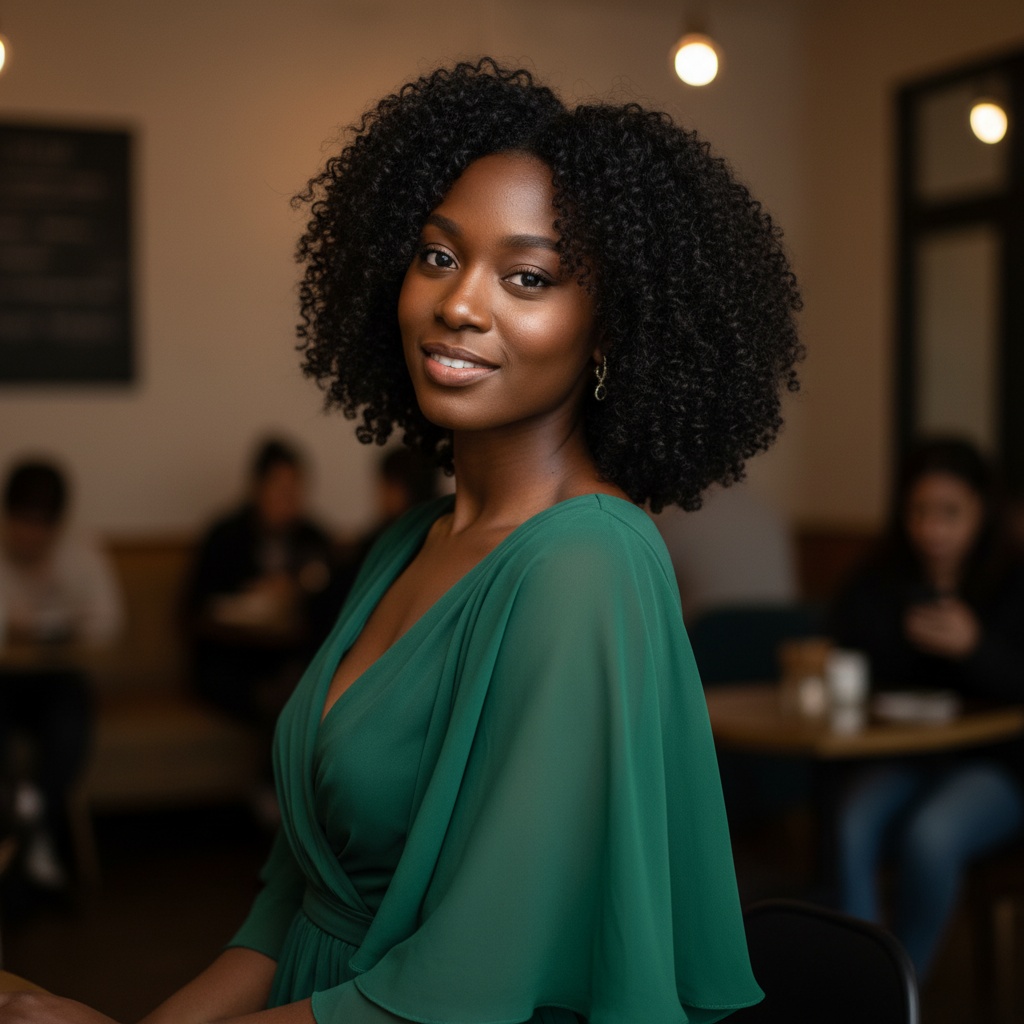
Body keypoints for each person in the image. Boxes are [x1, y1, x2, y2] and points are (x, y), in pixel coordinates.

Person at [0, 58, 803, 1023]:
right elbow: (296, 900)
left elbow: (468, 984)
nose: (459, 303)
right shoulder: (407, 544)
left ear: (610, 334)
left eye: (529, 276)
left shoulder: (587, 565)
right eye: (437, 255)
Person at [830, 436, 1024, 980]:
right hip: (907, 753)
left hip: (997, 763)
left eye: (950, 513)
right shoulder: (885, 576)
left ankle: (898, 992)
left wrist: (974, 649)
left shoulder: (1011, 579)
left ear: (983, 513)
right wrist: (905, 629)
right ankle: (857, 985)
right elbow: (849, 650)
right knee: (854, 821)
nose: (932, 529)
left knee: (932, 832)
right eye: (919, 511)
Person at [0, 459, 123, 890]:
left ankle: (31, 819)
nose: (28, 534)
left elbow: (107, 624)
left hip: (58, 679)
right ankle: (24, 837)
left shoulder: (79, 553)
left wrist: (49, 621)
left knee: (69, 722)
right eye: (20, 520)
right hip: (5, 682)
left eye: (39, 524)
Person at [182, 438, 338, 730]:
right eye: (281, 491)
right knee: (265, 690)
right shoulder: (224, 536)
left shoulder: (313, 538)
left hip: (294, 655)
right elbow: (194, 606)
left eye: (296, 491)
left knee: (306, 677)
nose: (290, 502)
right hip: (235, 659)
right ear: (257, 488)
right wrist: (250, 596)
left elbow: (333, 596)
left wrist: (296, 592)